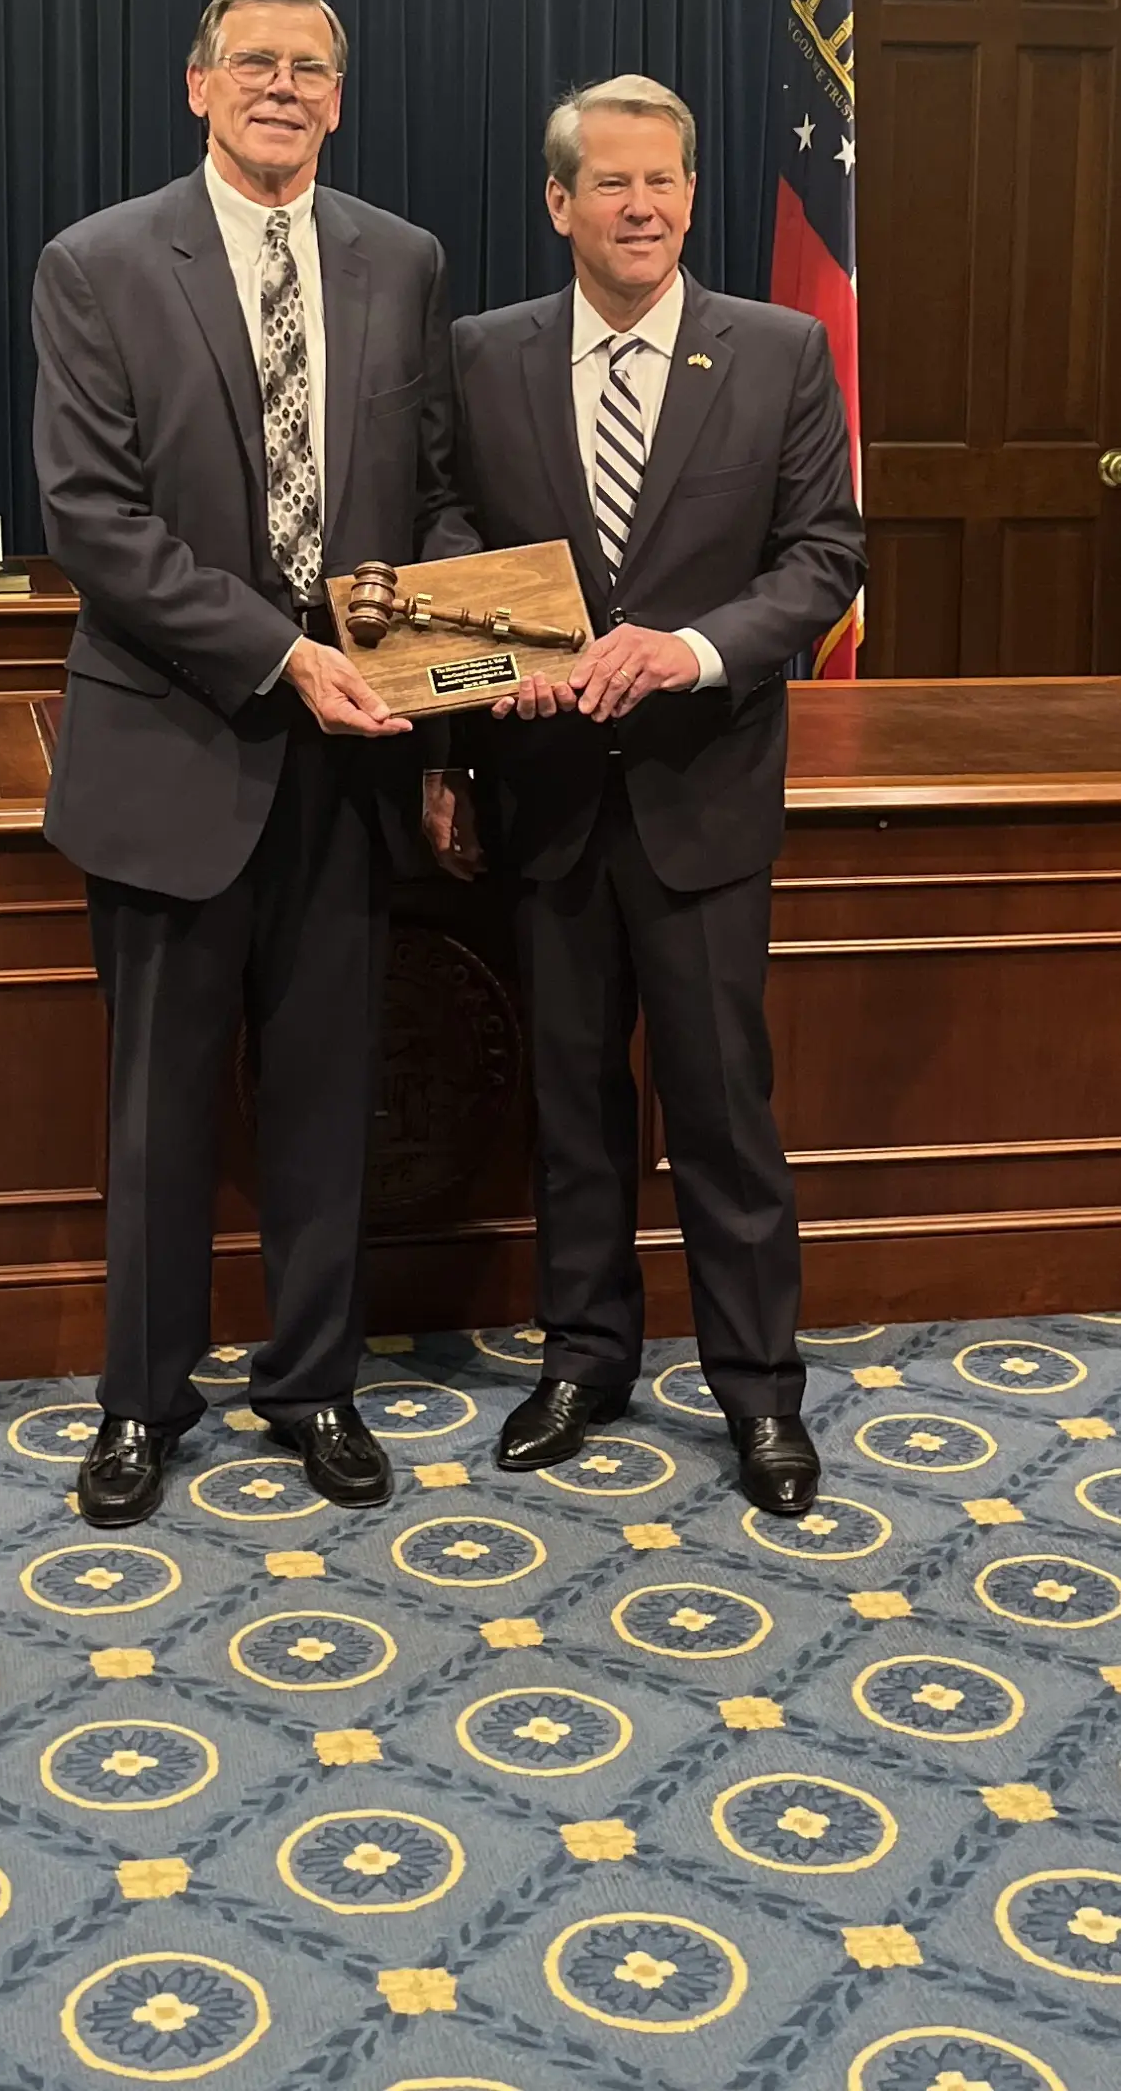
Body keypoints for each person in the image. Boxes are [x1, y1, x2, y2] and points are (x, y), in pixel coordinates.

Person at [32, 0, 474, 1526]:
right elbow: (91, 519)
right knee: (156, 1107)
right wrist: (283, 655)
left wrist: (434, 676)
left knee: (325, 1091)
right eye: (253, 64)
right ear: (198, 85)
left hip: (348, 766)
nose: (281, 87)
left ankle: (313, 1384)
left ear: (338, 100)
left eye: (310, 69)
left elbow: (432, 501)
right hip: (174, 749)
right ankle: (142, 1405)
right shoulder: (95, 262)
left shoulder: (401, 262)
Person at [436, 74, 865, 1516]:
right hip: (545, 793)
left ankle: (758, 1393)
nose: (640, 207)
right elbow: (445, 528)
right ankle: (583, 1355)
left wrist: (682, 652)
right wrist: (503, 661)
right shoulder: (483, 357)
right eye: (609, 183)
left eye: (663, 182)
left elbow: (818, 560)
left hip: (700, 796)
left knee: (721, 1110)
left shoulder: (780, 351)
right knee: (570, 1103)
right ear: (557, 203)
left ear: (690, 194)